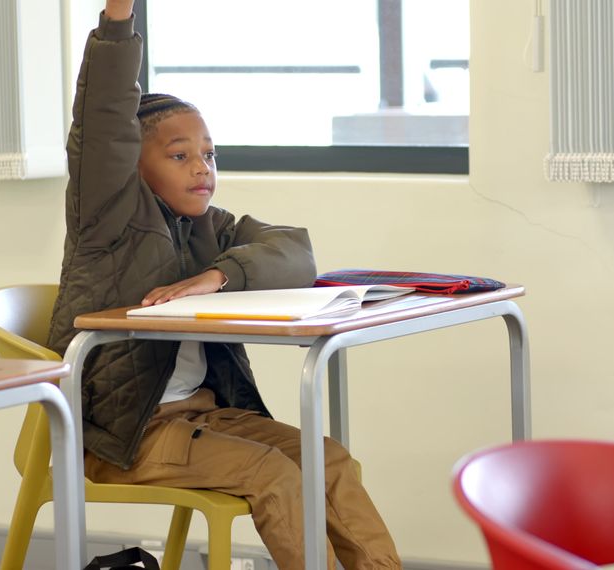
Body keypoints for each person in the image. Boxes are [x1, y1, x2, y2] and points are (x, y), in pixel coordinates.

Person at [46, 1, 401, 568]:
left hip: (202, 416)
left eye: (209, 155)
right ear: (133, 167)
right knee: (274, 474)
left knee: (329, 462)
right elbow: (102, 124)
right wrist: (116, 22)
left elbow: (295, 253)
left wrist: (218, 276)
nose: (201, 168)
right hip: (119, 436)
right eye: (180, 155)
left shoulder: (212, 229)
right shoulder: (107, 218)